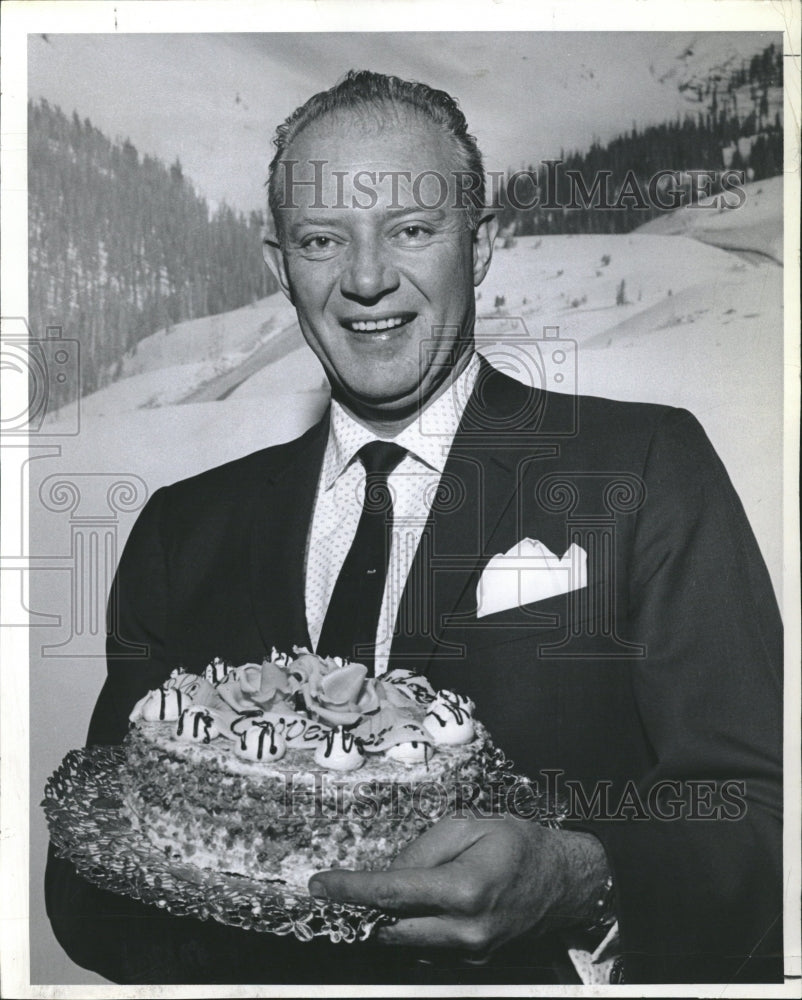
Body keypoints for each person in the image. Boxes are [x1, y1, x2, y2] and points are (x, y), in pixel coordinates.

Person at [46, 70, 782, 986]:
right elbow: (91, 885)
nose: (365, 279)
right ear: (281, 265)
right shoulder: (181, 531)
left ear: (480, 244)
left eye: (412, 229)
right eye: (323, 240)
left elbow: (760, 816)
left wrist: (580, 877)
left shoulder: (640, 467)